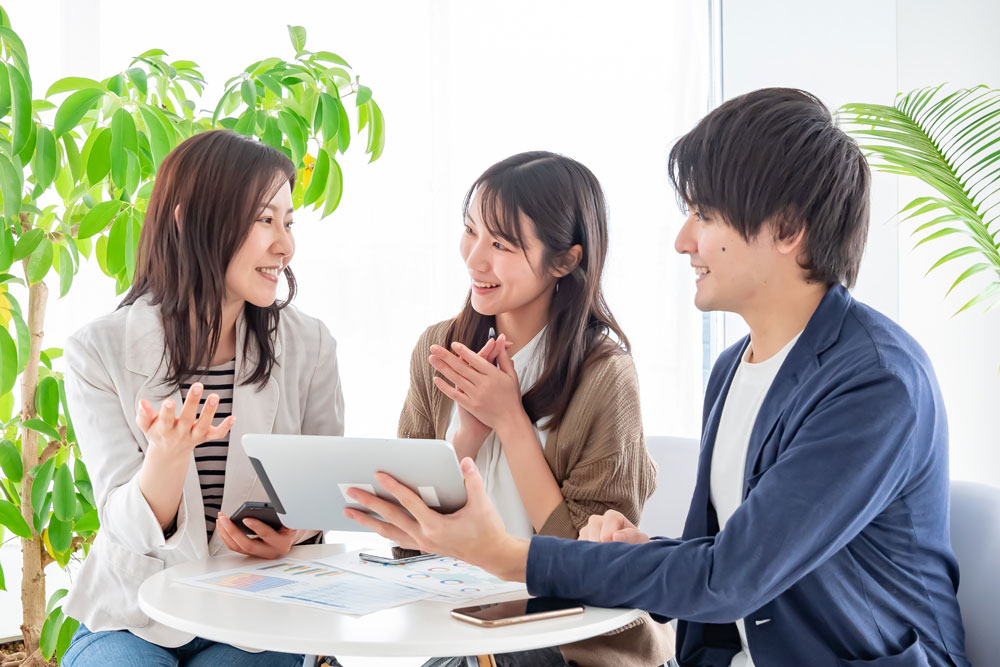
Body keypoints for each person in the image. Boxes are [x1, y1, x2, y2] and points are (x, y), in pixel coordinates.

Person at [346, 89, 970, 667]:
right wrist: (640, 551)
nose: (681, 240)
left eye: (703, 214)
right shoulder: (735, 368)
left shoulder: (876, 383)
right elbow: (723, 560)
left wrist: (510, 555)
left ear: (786, 229)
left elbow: (728, 579)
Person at [61, 130, 344, 667]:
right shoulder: (97, 350)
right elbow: (126, 523)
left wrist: (295, 532)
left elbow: (326, 486)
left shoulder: (310, 346)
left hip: (257, 611)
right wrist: (166, 458)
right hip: (135, 613)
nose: (284, 244)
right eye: (265, 219)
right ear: (188, 219)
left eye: (289, 222)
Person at [396, 151, 672, 666]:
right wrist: (468, 440)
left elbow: (591, 570)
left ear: (565, 260)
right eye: (470, 231)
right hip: (463, 626)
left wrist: (511, 423)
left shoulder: (604, 375)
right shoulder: (437, 348)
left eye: (501, 244)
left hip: (574, 645)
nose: (475, 259)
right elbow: (406, 541)